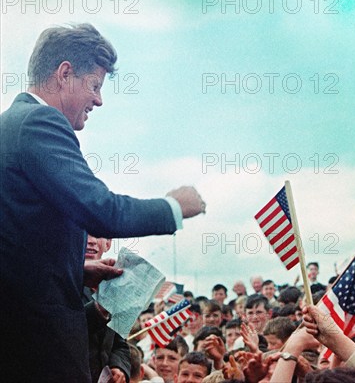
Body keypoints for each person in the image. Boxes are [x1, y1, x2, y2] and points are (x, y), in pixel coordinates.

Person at [0, 23, 205, 382]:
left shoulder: (9, 126)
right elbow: (101, 210)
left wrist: (75, 271)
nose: (98, 100)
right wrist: (173, 206)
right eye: (94, 85)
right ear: (65, 74)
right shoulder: (39, 121)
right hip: (39, 349)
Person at [83, 235, 130, 383]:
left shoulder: (113, 285)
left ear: (108, 244)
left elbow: (120, 343)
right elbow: (60, 331)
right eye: (85, 233)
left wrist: (119, 367)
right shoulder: (56, 280)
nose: (92, 241)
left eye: (98, 235)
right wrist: (99, 309)